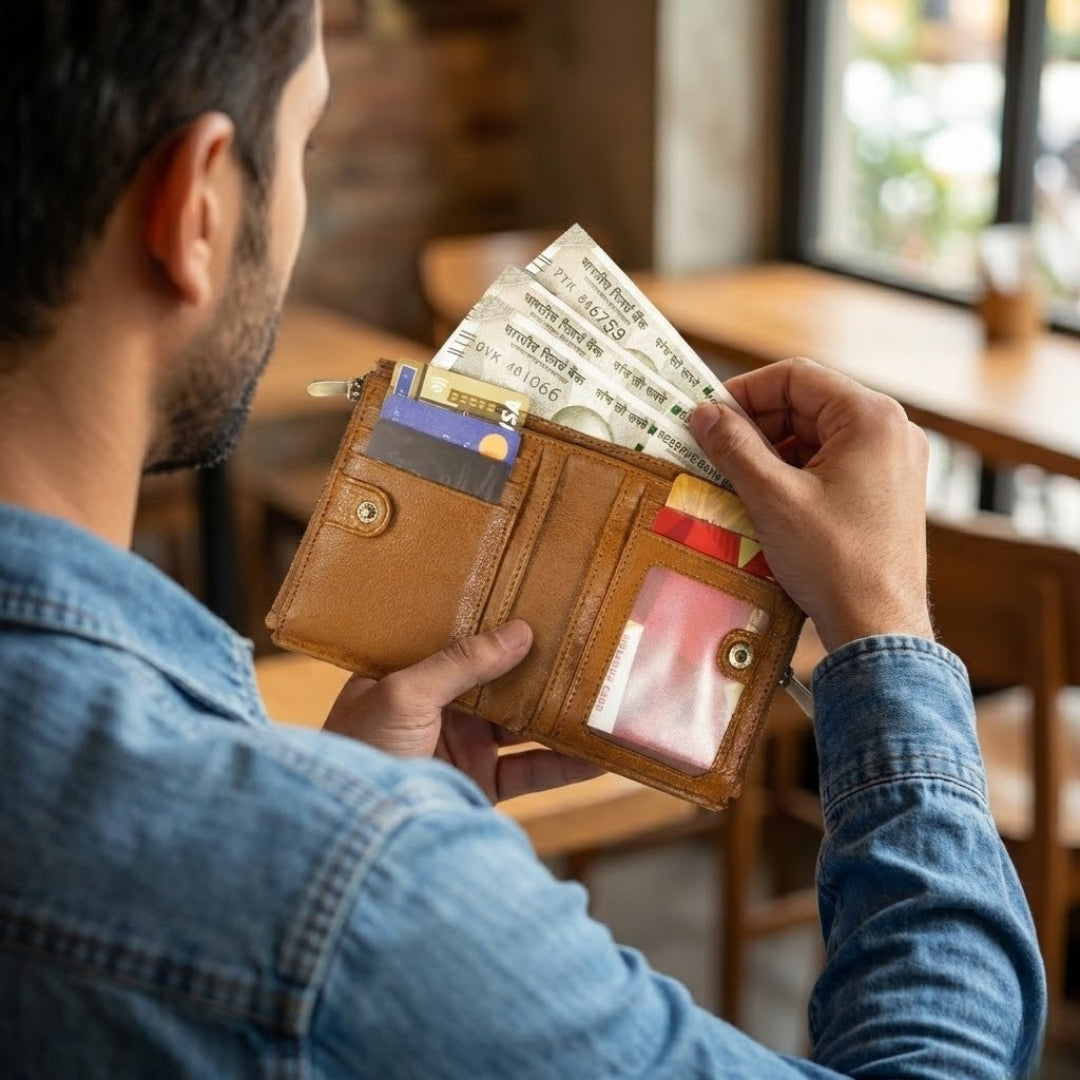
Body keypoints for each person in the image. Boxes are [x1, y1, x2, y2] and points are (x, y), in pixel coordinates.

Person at [0, 1, 1045, 1077]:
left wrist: (344, 803)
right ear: (199, 206)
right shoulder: (351, 895)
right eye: (303, 140)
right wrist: (888, 636)